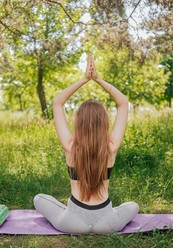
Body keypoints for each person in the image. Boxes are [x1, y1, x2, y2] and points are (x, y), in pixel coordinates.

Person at [33, 54, 139, 234]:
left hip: (72, 222)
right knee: (133, 205)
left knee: (39, 198)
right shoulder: (111, 146)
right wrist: (98, 79)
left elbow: (57, 102)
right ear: (104, 122)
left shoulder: (70, 146)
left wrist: (84, 79)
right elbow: (123, 103)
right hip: (107, 223)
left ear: (79, 122)